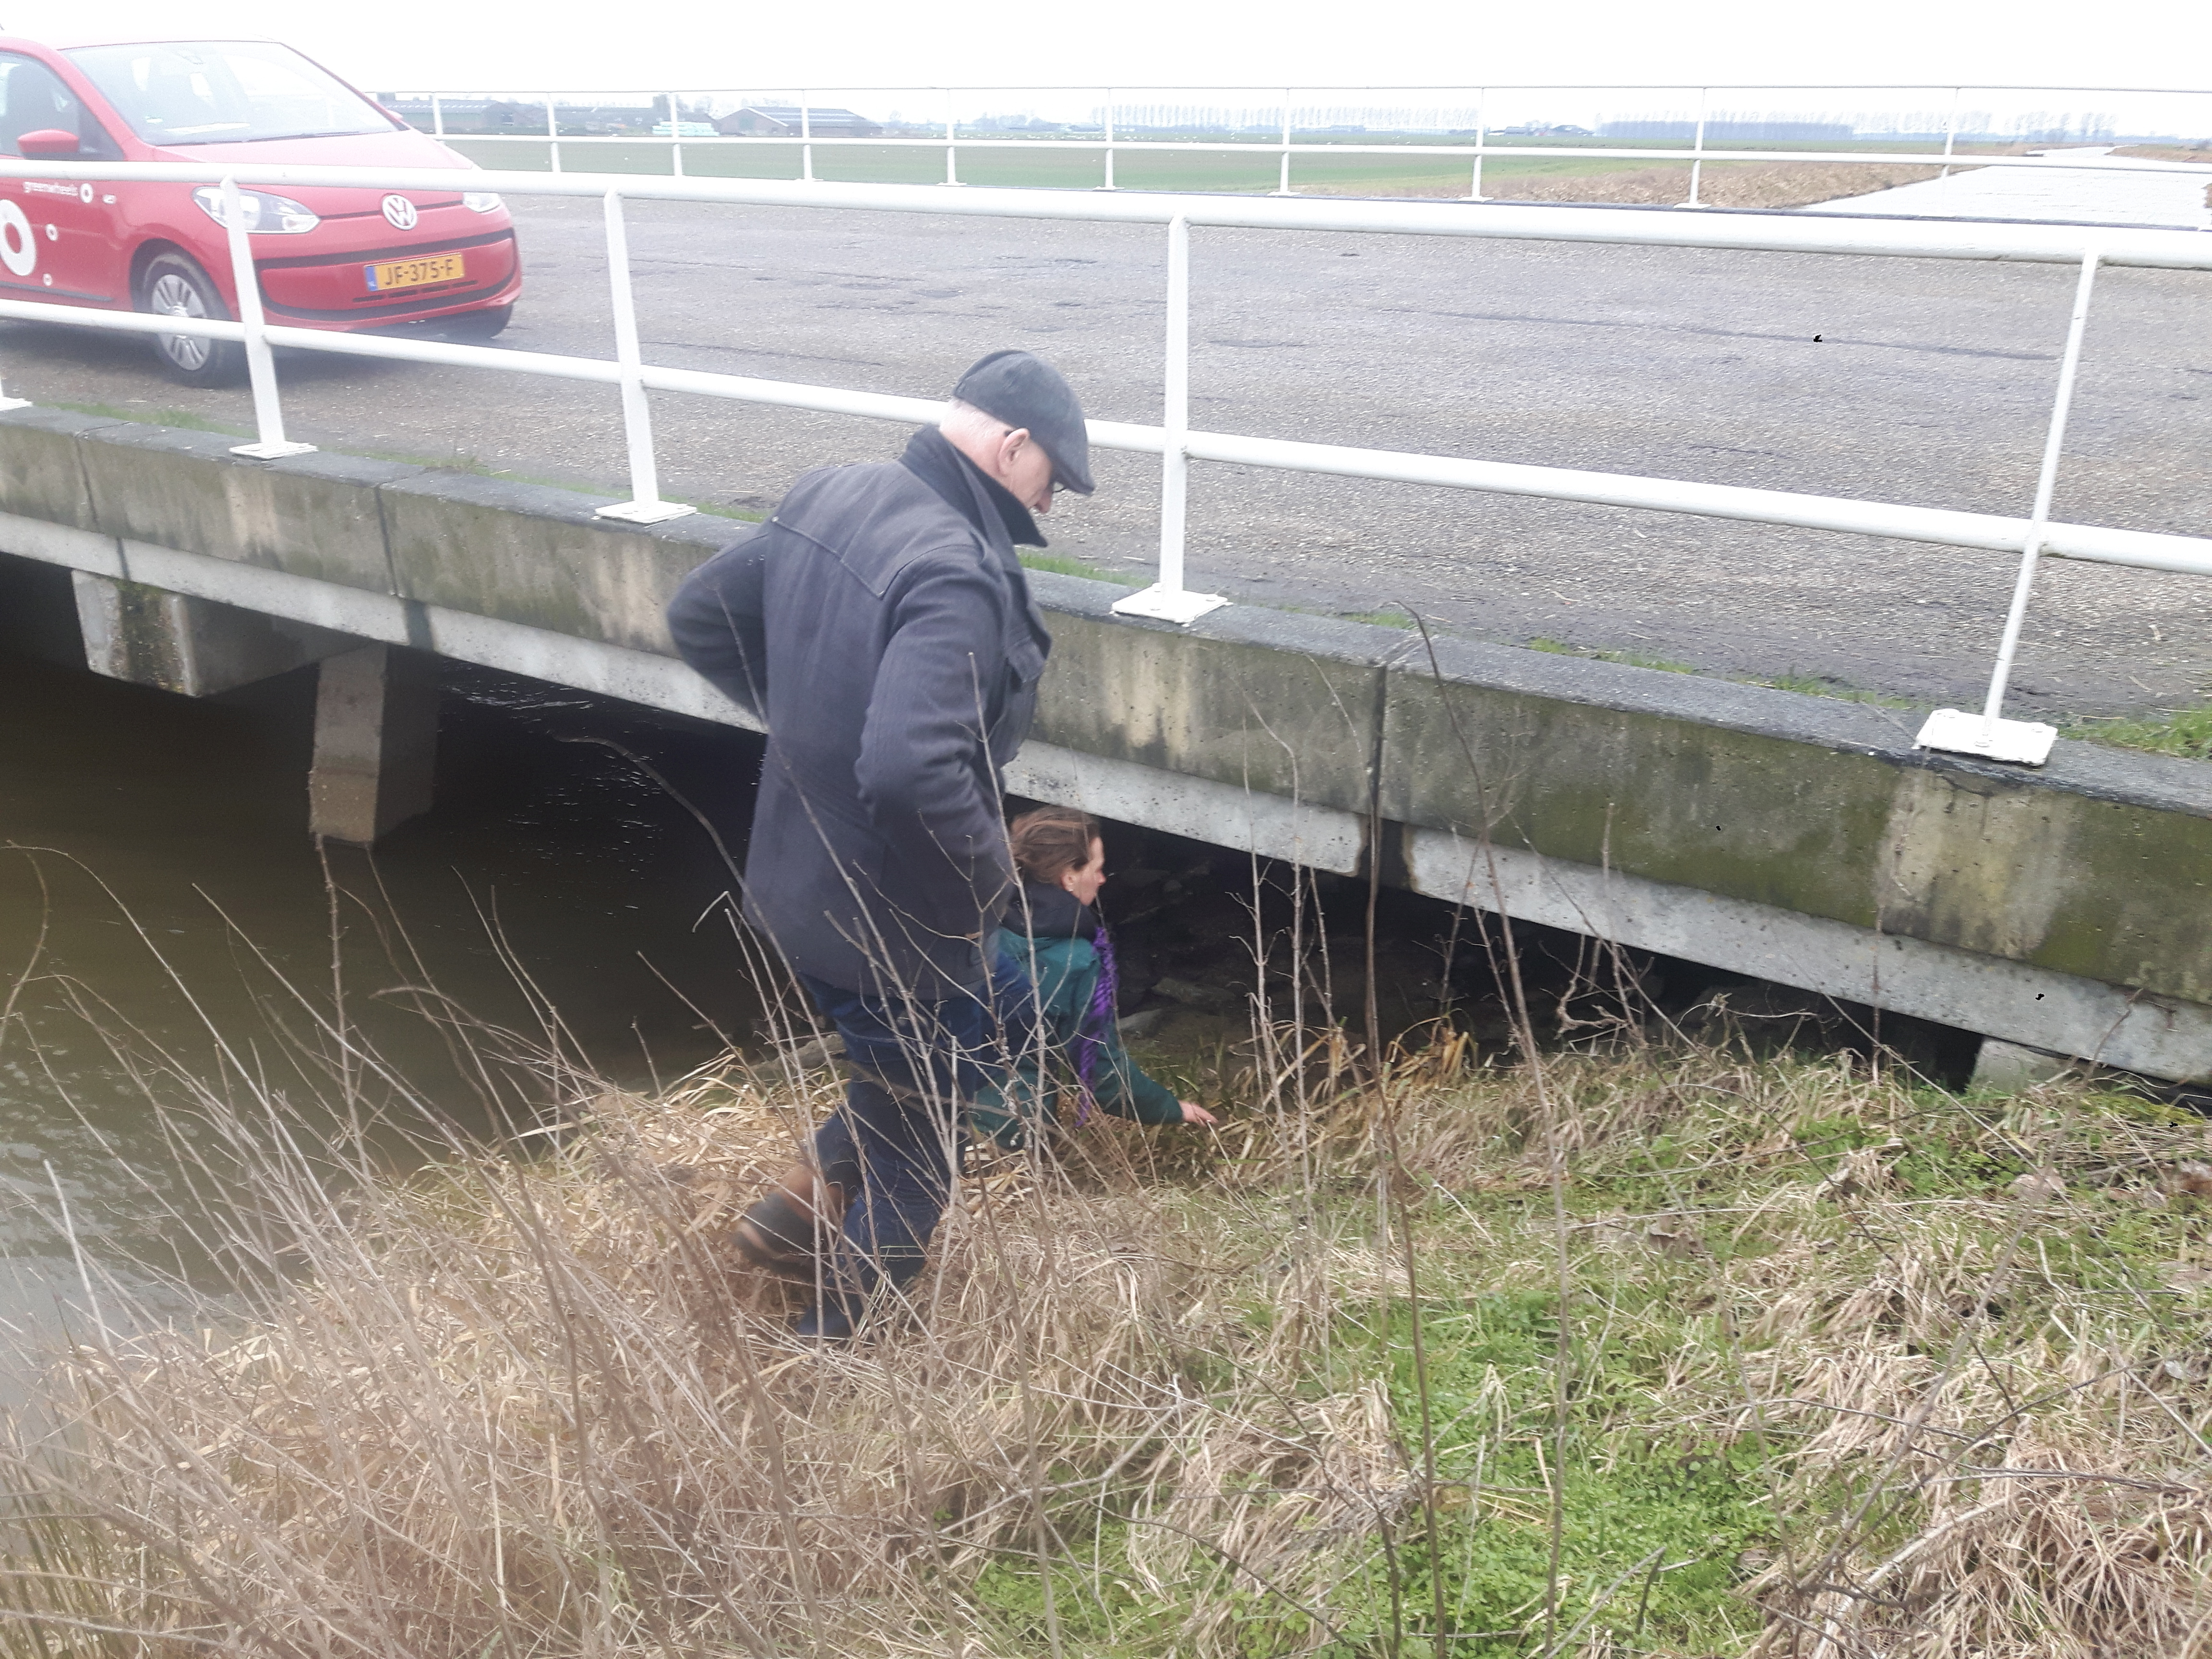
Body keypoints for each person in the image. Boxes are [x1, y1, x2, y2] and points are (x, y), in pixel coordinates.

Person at [665, 349, 1090, 1340]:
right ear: (1011, 445)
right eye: (1052, 478)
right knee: (919, 1148)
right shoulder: (957, 572)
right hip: (896, 924)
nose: (1051, 503)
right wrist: (988, 881)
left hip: (801, 885)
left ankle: (791, 1211)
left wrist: (814, 728)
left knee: (996, 1024)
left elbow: (700, 617)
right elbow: (907, 771)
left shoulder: (835, 491)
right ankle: (835, 1350)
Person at [968, 806, 1217, 1148]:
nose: (1102, 880)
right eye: (1097, 869)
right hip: (1008, 1127)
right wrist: (1169, 1108)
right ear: (1069, 876)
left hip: (923, 1106)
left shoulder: (972, 917)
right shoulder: (1077, 960)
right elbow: (1100, 1073)